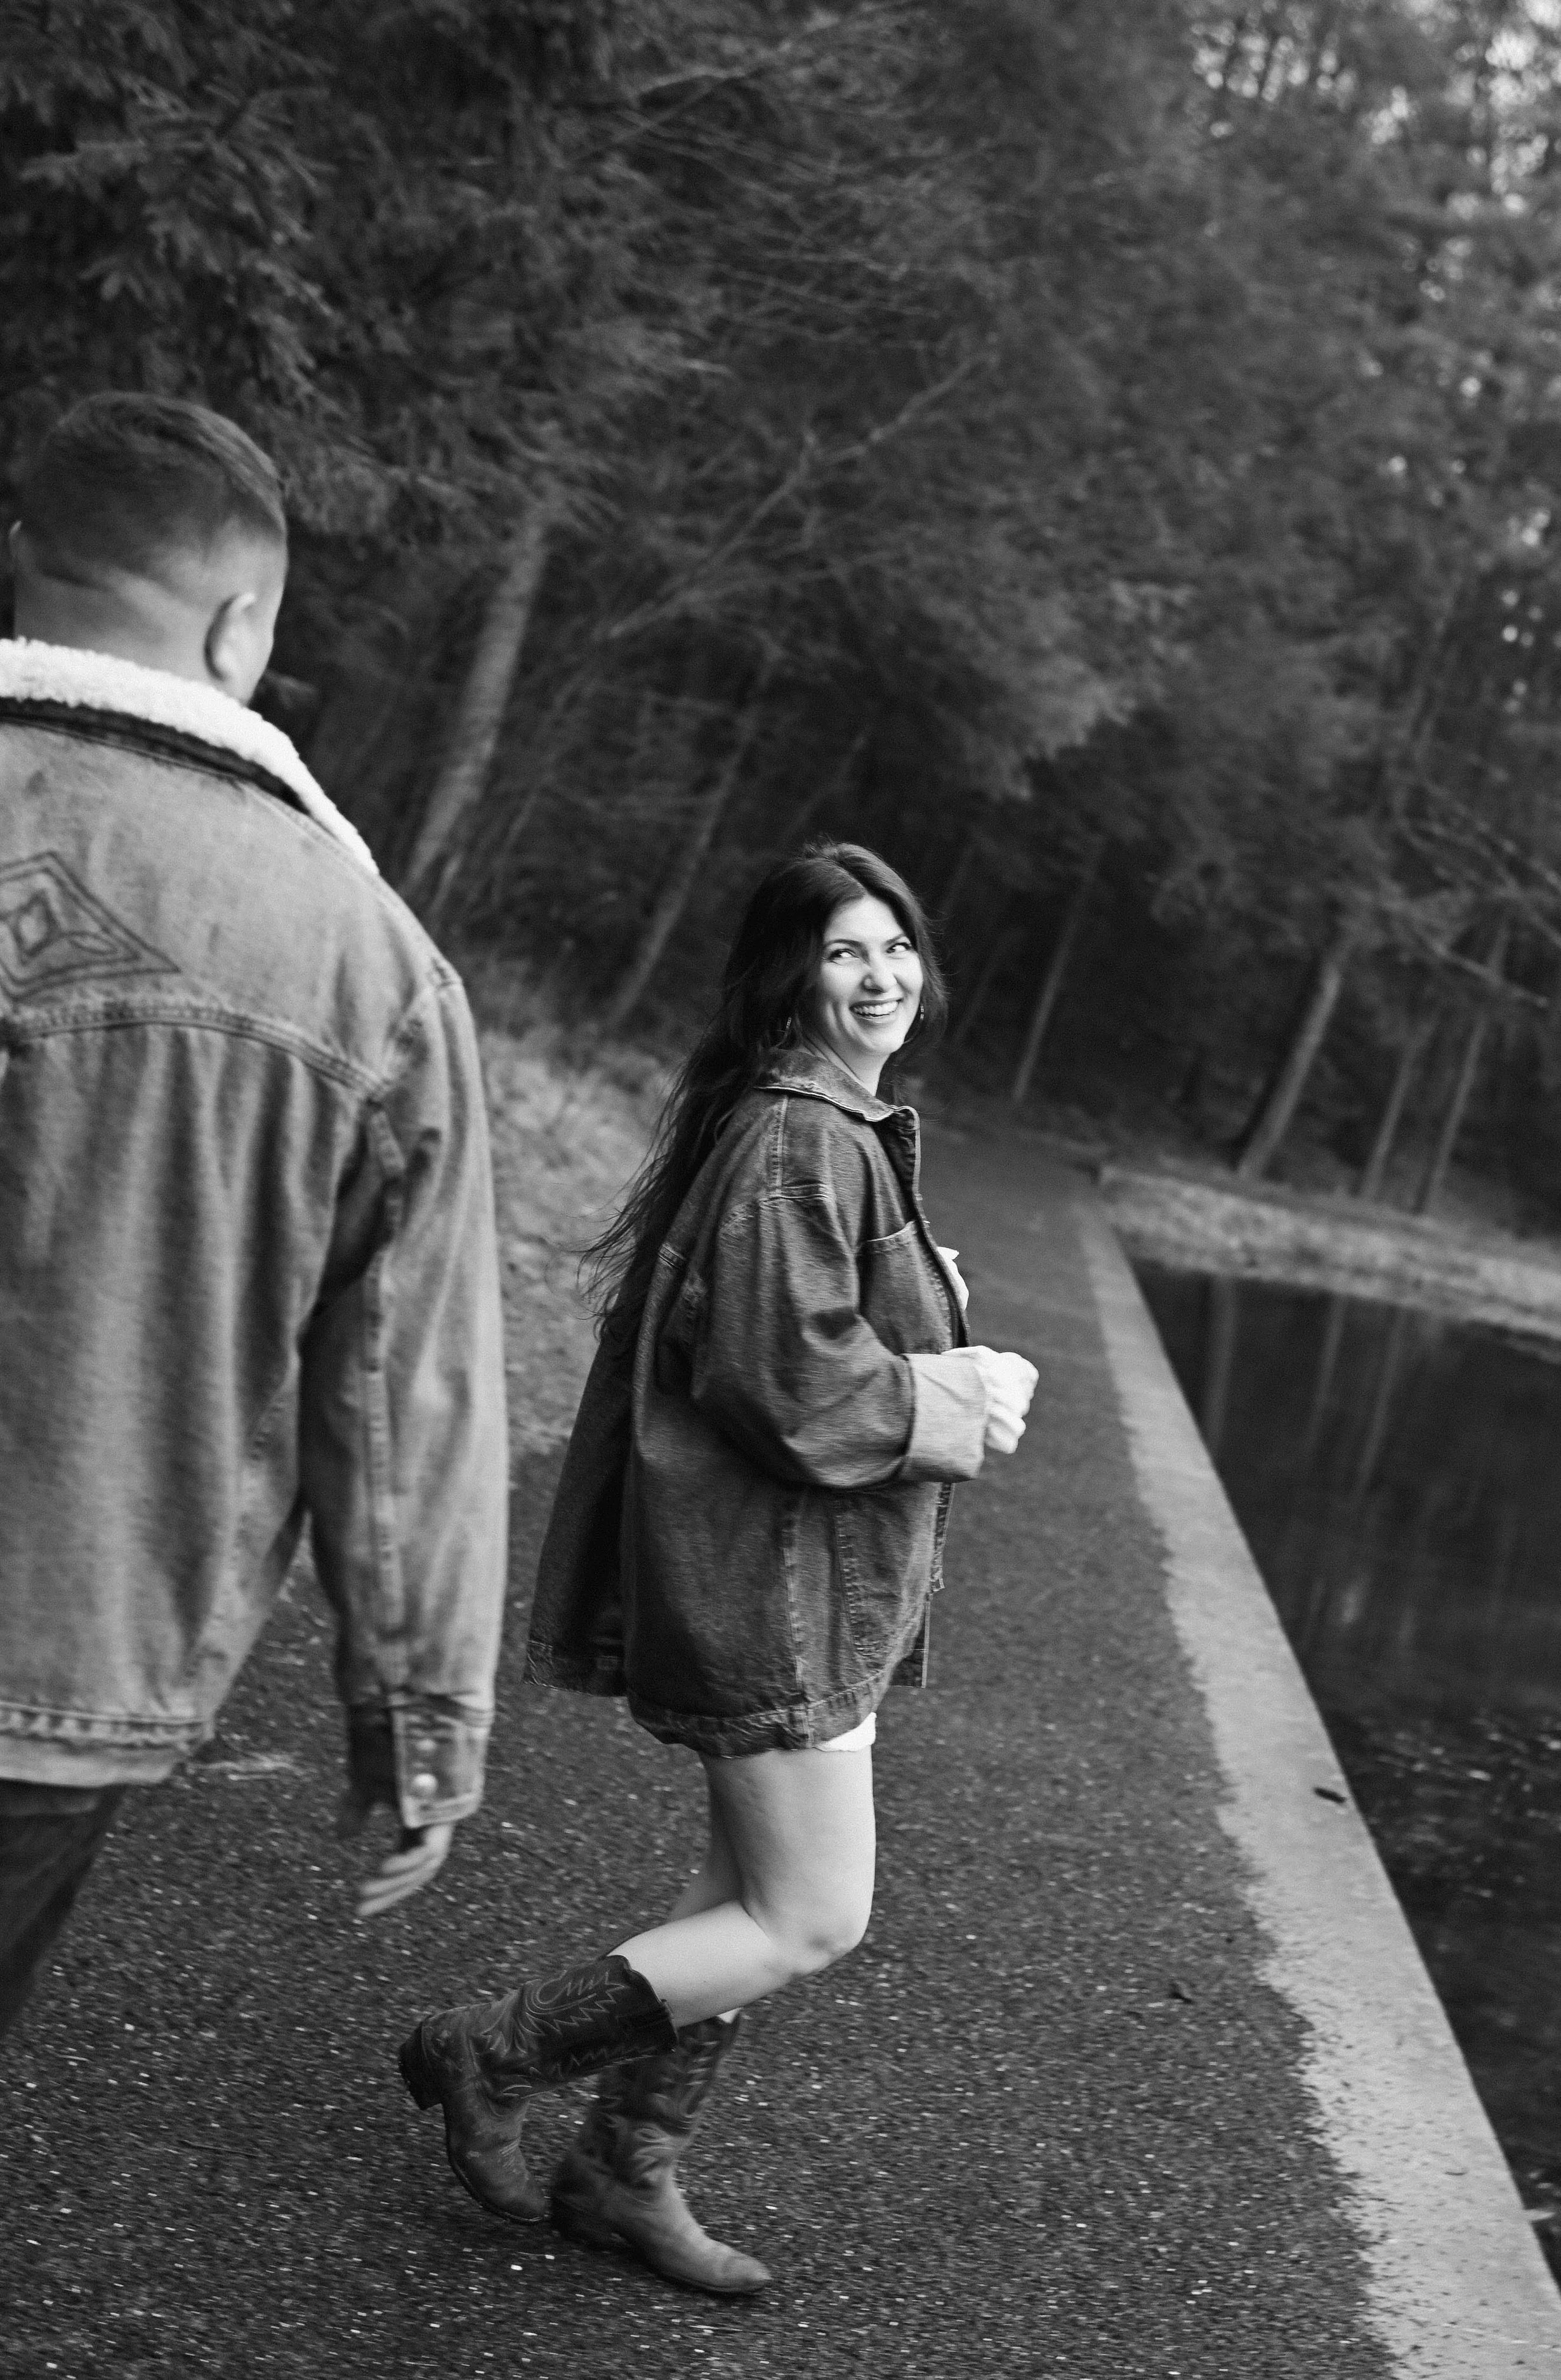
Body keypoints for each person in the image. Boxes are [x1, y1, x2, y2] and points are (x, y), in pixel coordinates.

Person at [400, 840, 1036, 2295]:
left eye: (895, 947)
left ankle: (622, 2169)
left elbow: (792, 1330)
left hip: (814, 1582)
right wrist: (948, 1398)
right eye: (842, 952)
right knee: (809, 1917)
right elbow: (782, 1377)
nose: (879, 977)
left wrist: (931, 1326)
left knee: (734, 1901)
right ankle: (494, 2054)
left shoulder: (833, 1126)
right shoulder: (799, 1137)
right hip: (775, 1590)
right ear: (787, 977)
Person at [0, 393, 508, 2067]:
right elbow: (400, 1388)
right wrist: (415, 1717)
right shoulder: (368, 964)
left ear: (21, 561)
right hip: (54, 1656)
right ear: (241, 628)